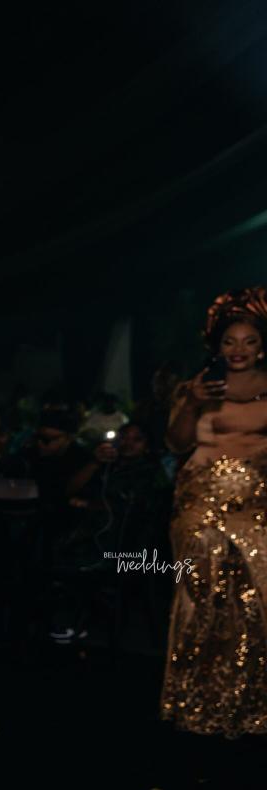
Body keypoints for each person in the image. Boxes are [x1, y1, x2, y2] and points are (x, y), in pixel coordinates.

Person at [161, 287, 267, 736]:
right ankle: (196, 701)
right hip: (200, 504)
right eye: (230, 341)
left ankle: (248, 705)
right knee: (202, 597)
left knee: (255, 601)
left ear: (261, 347)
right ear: (217, 346)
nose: (238, 350)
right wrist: (192, 401)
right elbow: (175, 443)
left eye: (249, 341)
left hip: (255, 508)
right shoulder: (196, 388)